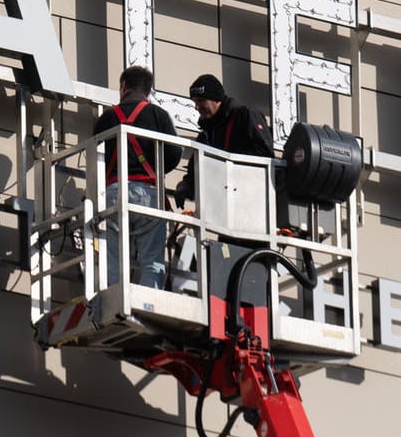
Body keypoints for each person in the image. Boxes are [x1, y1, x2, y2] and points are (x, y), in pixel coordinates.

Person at [90, 65, 181, 288]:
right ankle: (151, 301)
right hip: (148, 195)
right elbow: (174, 153)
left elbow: (95, 157)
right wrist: (156, 170)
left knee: (114, 259)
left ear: (123, 87)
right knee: (152, 260)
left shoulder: (108, 118)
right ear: (147, 91)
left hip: (113, 193)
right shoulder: (157, 116)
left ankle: (113, 300)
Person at [175, 73, 273, 207]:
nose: (196, 107)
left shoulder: (245, 115)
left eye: (200, 101)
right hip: (220, 205)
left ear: (215, 99)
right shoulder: (206, 134)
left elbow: (265, 153)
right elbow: (195, 170)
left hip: (249, 200)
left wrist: (229, 162)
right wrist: (186, 186)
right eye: (195, 102)